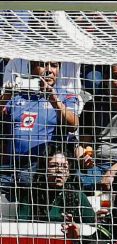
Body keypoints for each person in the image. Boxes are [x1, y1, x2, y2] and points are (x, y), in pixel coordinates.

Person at [0, 60, 79, 194]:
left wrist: (54, 100)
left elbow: (73, 125)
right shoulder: (17, 95)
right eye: (43, 65)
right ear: (31, 68)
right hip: (8, 166)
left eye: (54, 66)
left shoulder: (65, 96)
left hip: (39, 168)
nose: (49, 70)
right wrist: (6, 96)